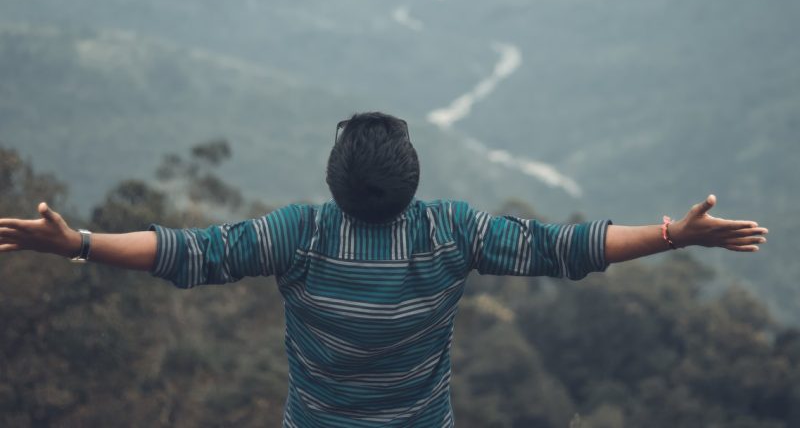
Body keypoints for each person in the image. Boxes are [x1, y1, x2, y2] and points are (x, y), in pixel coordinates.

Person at [0, 111, 768, 426]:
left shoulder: (298, 237)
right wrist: (674, 236)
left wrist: (78, 245)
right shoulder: (449, 234)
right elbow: (565, 250)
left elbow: (186, 254)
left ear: (334, 181)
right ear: (412, 181)